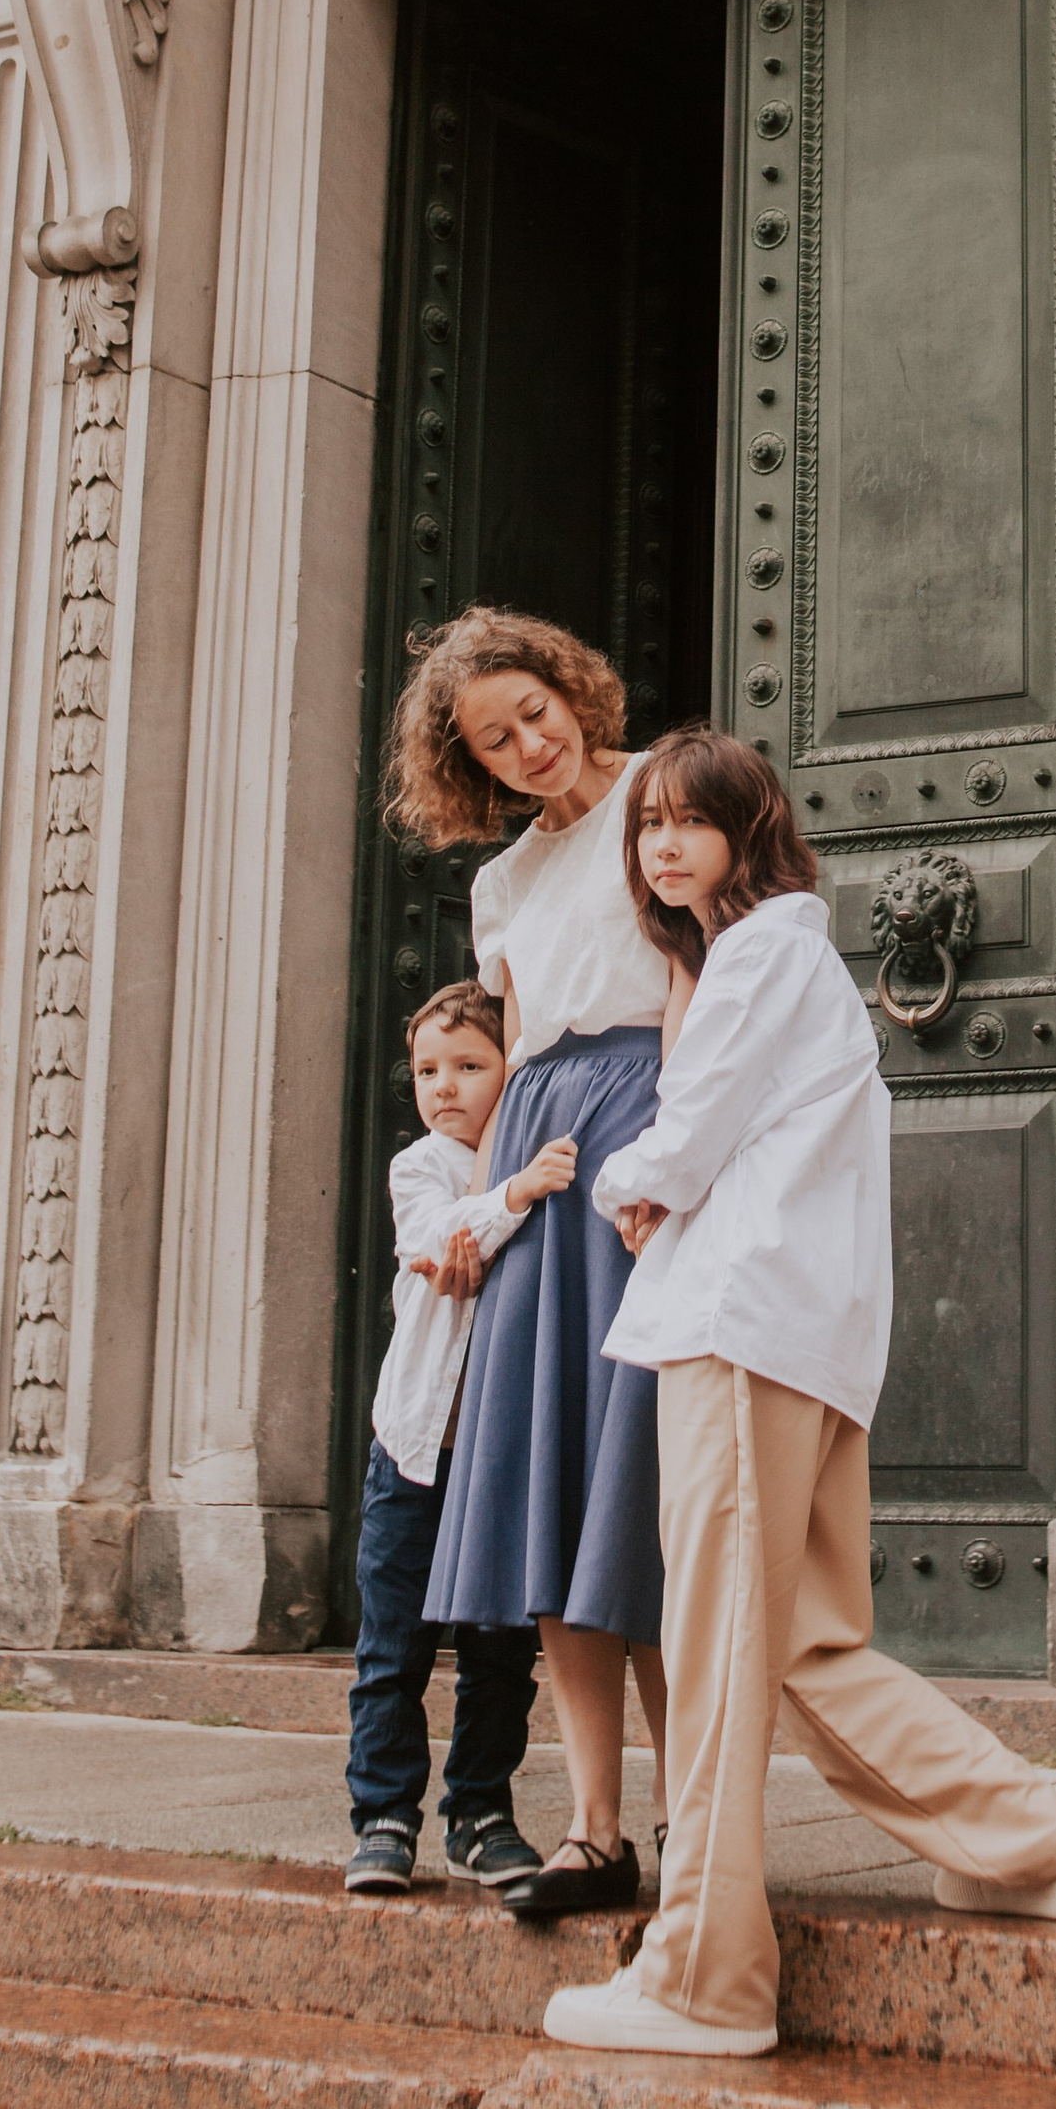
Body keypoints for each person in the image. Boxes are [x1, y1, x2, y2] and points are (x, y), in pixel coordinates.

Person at [543, 726, 1056, 2059]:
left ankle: (703, 1976)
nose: (665, 845)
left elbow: (687, 1133)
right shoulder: (785, 958)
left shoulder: (760, 953)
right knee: (802, 1644)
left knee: (715, 1650)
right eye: (649, 826)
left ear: (750, 832)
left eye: (693, 821)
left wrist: (625, 1184)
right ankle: (1038, 1841)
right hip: (796, 1335)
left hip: (740, 1327)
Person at [393, 607, 672, 1916]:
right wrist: (475, 1216)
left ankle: (693, 1817)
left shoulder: (667, 794)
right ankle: (595, 1830)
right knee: (561, 1497)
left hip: (650, 1134)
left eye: (534, 714)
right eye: (495, 743)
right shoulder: (500, 884)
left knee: (649, 1489)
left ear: (570, 686)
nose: (527, 747)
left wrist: (677, 1159)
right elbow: (513, 1060)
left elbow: (707, 983)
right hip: (540, 1167)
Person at [344, 977, 568, 1898]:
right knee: (392, 1648)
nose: (444, 1086)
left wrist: (518, 1194)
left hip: (499, 1456)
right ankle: (383, 1816)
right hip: (415, 1451)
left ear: (512, 1072)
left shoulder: (542, 1158)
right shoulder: (422, 1166)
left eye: (470, 1066)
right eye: (428, 1069)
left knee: (500, 1650)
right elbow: (435, 1237)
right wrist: (511, 1196)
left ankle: (479, 1813)